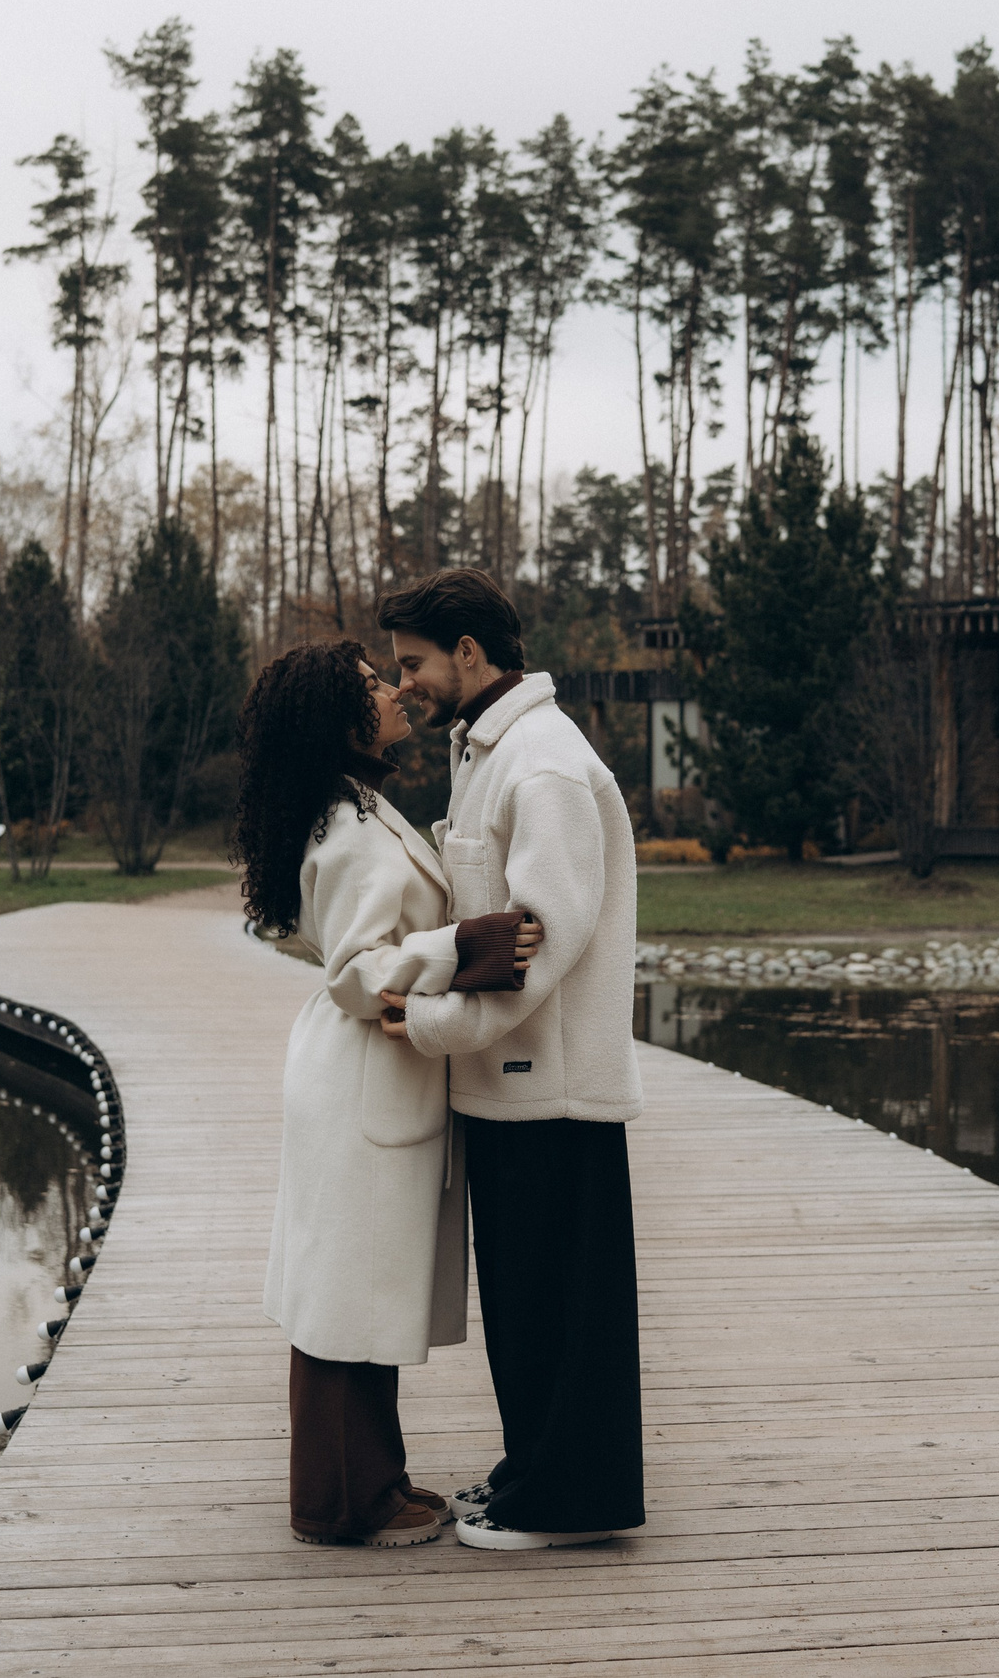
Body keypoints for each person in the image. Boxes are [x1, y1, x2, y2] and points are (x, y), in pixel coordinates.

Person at [234, 639, 542, 1548]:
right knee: (343, 1297)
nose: (395, 689)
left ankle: (372, 1481)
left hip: (363, 1078)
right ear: (340, 717)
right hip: (362, 1077)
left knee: (352, 1290)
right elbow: (358, 970)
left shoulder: (357, 809)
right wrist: (472, 948)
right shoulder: (350, 826)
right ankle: (341, 1503)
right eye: (373, 685)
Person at [375, 568, 647, 1551]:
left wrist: (433, 1026)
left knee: (562, 1310)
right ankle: (535, 1471)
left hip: (552, 1086)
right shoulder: (489, 749)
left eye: (413, 664)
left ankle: (570, 1501)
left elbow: (539, 937)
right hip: (510, 1084)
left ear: (470, 654)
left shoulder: (539, 762)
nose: (402, 683)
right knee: (528, 1308)